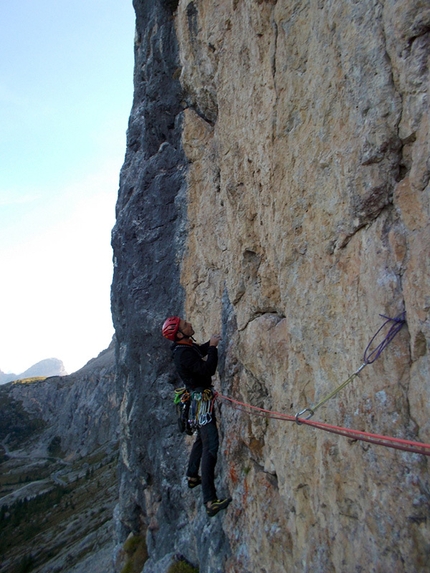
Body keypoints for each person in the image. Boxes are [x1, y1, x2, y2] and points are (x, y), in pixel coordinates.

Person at [162, 316, 231, 517]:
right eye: (185, 325)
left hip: (197, 398)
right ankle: (210, 500)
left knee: (202, 439)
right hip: (201, 400)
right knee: (211, 445)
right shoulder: (183, 354)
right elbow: (207, 369)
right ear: (180, 334)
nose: (190, 324)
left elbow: (196, 353)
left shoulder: (184, 348)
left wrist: (208, 345)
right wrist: (213, 348)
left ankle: (192, 475)